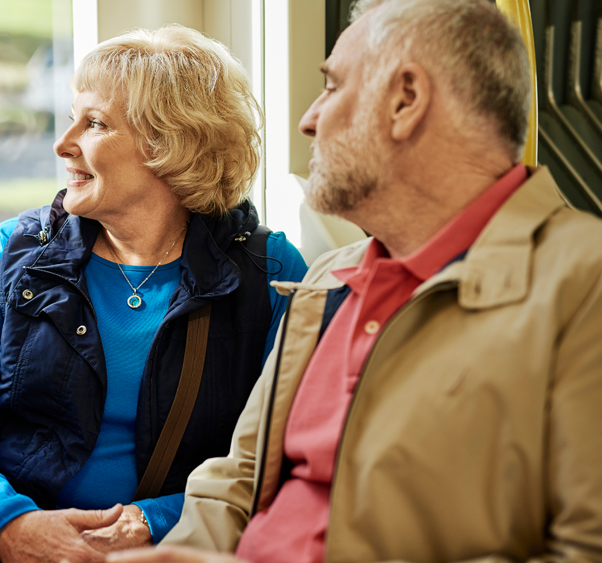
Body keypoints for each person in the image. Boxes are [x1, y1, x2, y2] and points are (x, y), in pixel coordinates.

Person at [108, 1, 602, 563]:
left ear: (406, 101)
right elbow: (237, 479)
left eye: (333, 86)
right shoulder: (326, 279)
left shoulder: (584, 281)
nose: (308, 118)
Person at [0, 25, 308, 563]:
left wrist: (152, 523)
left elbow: (287, 459)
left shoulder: (270, 271)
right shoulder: (15, 250)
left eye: (93, 123)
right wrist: (8, 525)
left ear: (170, 145)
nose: (62, 143)